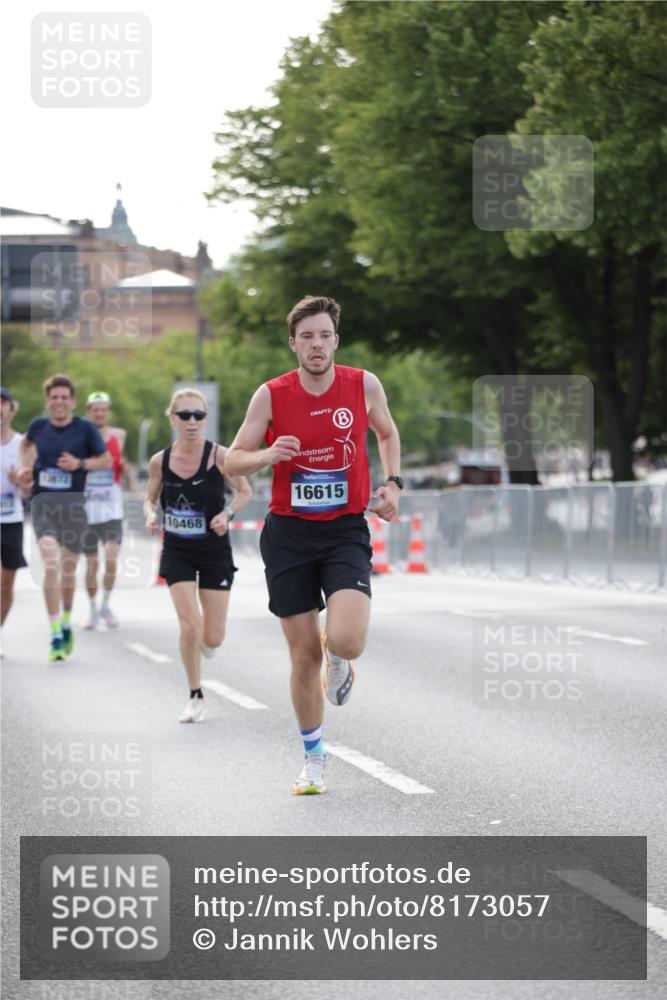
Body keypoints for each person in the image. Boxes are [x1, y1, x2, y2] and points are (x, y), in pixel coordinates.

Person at [225, 295, 402, 795]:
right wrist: (266, 455)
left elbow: (387, 434)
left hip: (345, 528)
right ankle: (314, 758)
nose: (317, 344)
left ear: (335, 341)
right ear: (294, 344)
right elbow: (231, 461)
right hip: (289, 535)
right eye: (307, 337)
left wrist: (393, 484)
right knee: (303, 658)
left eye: (324, 335)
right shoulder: (271, 395)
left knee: (345, 641)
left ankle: (339, 653)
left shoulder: (363, 384)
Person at [143, 389, 251, 723]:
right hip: (177, 548)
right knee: (189, 624)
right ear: (172, 418)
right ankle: (195, 695)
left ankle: (206, 642)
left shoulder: (221, 456)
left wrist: (228, 514)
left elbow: (245, 491)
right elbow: (149, 498)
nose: (192, 422)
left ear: (206, 419)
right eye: (184, 415)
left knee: (212, 637)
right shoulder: (160, 461)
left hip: (213, 548)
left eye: (198, 415)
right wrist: (150, 514)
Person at [16, 374, 111, 662]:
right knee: (49, 564)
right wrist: (26, 468)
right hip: (43, 504)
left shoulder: (84, 429)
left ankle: (67, 621)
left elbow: (105, 460)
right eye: (54, 397)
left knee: (68, 571)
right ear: (48, 401)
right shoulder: (37, 426)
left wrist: (79, 463)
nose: (58, 402)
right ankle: (55, 632)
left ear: (71, 402)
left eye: (64, 398)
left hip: (73, 507)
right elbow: (24, 446)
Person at [82, 391, 129, 630]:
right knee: (92, 564)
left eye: (103, 409)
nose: (99, 413)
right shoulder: (79, 437)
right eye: (95, 409)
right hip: (87, 511)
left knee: (111, 561)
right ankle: (91, 609)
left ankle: (105, 605)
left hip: (112, 509)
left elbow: (121, 464)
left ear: (108, 411)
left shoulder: (118, 435)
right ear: (88, 411)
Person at [1, 388, 28, 657]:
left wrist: (20, 483)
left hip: (11, 519)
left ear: (11, 409)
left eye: (3, 404)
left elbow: (31, 489)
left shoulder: (22, 444)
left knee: (6, 583)